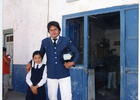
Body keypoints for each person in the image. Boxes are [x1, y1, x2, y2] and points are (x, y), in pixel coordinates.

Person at [26, 21, 79, 100]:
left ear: (59, 30)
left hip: (64, 74)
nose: (53, 31)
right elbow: (40, 54)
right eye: (51, 30)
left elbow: (76, 53)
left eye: (55, 29)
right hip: (51, 75)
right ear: (48, 32)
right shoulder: (45, 42)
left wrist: (72, 63)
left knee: (67, 97)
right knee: (52, 97)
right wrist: (30, 63)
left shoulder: (66, 40)